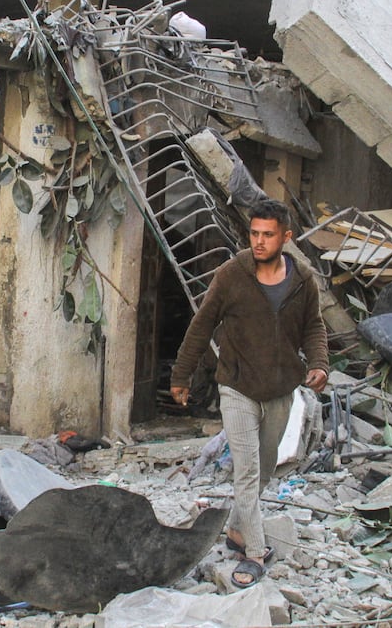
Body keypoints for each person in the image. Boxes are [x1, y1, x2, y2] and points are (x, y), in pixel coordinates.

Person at [170, 198, 329, 588]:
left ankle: (238, 530)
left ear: (285, 237)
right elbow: (202, 325)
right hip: (237, 385)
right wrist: (182, 374)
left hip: (279, 390)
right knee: (245, 467)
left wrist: (320, 363)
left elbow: (314, 326)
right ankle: (255, 553)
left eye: (267, 235)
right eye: (254, 233)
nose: (259, 242)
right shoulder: (231, 275)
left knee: (264, 466)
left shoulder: (303, 279)